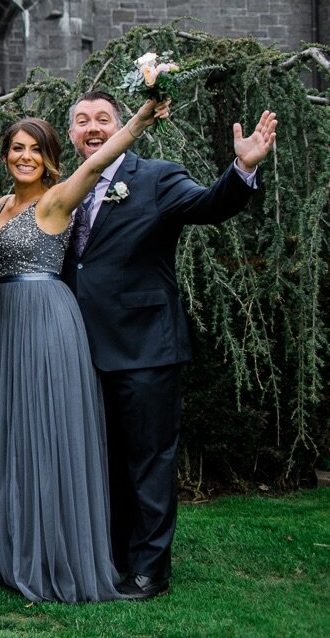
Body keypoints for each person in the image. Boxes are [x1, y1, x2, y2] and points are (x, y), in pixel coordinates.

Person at [62, 91, 276, 600]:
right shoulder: (69, 187)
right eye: (81, 121)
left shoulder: (155, 176)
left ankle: (149, 571)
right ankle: (111, 556)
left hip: (145, 348)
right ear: (71, 134)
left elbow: (208, 205)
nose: (92, 129)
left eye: (103, 119)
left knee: (149, 461)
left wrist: (241, 169)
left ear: (122, 123)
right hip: (82, 350)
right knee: (104, 461)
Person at [0, 102, 167, 603]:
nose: (25, 157)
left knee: (46, 432)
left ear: (51, 158)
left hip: (45, 322)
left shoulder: (58, 199)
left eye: (36, 149)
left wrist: (139, 119)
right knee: (11, 433)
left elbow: (98, 164)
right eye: (17, 148)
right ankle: (13, 547)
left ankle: (56, 552)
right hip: (5, 325)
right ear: (4, 156)